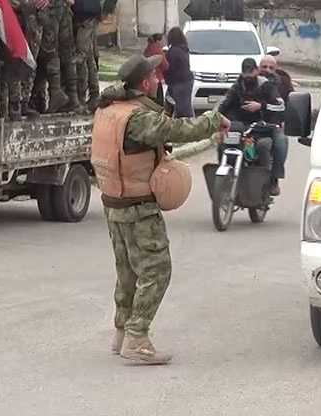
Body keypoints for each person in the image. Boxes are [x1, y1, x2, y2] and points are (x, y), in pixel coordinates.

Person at [92, 54, 229, 365]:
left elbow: (159, 152)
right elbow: (176, 130)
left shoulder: (109, 110)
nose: (158, 80)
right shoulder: (139, 118)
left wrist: (209, 140)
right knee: (157, 270)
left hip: (114, 204)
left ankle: (121, 333)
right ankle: (137, 337)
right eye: (154, 76)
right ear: (144, 83)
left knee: (127, 272)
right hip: (139, 207)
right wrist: (212, 120)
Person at [66, 0, 122, 111]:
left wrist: (107, 9)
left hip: (89, 17)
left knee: (80, 57)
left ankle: (80, 99)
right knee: (89, 57)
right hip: (71, 16)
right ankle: (94, 95)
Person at [218, 58, 283, 195]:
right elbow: (225, 104)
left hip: (262, 127)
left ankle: (269, 182)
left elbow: (281, 106)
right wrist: (215, 119)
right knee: (223, 143)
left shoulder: (265, 85)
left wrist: (261, 106)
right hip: (241, 128)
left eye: (251, 75)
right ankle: (226, 177)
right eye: (245, 75)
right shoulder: (237, 86)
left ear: (256, 71)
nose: (248, 79)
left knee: (264, 146)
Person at [34, 0, 79, 111]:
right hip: (65, 6)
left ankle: (55, 92)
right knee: (67, 53)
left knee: (48, 51)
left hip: (49, 6)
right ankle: (73, 97)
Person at [258, 54, 293, 193]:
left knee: (281, 140)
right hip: (250, 124)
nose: (267, 70)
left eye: (271, 67)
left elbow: (290, 104)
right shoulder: (249, 80)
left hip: (273, 124)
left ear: (276, 69)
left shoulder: (283, 83)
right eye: (264, 67)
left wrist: (285, 120)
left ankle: (274, 179)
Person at [163, 27, 194, 117]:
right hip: (187, 80)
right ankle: (191, 122)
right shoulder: (184, 49)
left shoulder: (173, 51)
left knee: (181, 108)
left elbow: (170, 68)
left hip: (179, 82)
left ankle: (187, 124)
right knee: (186, 105)